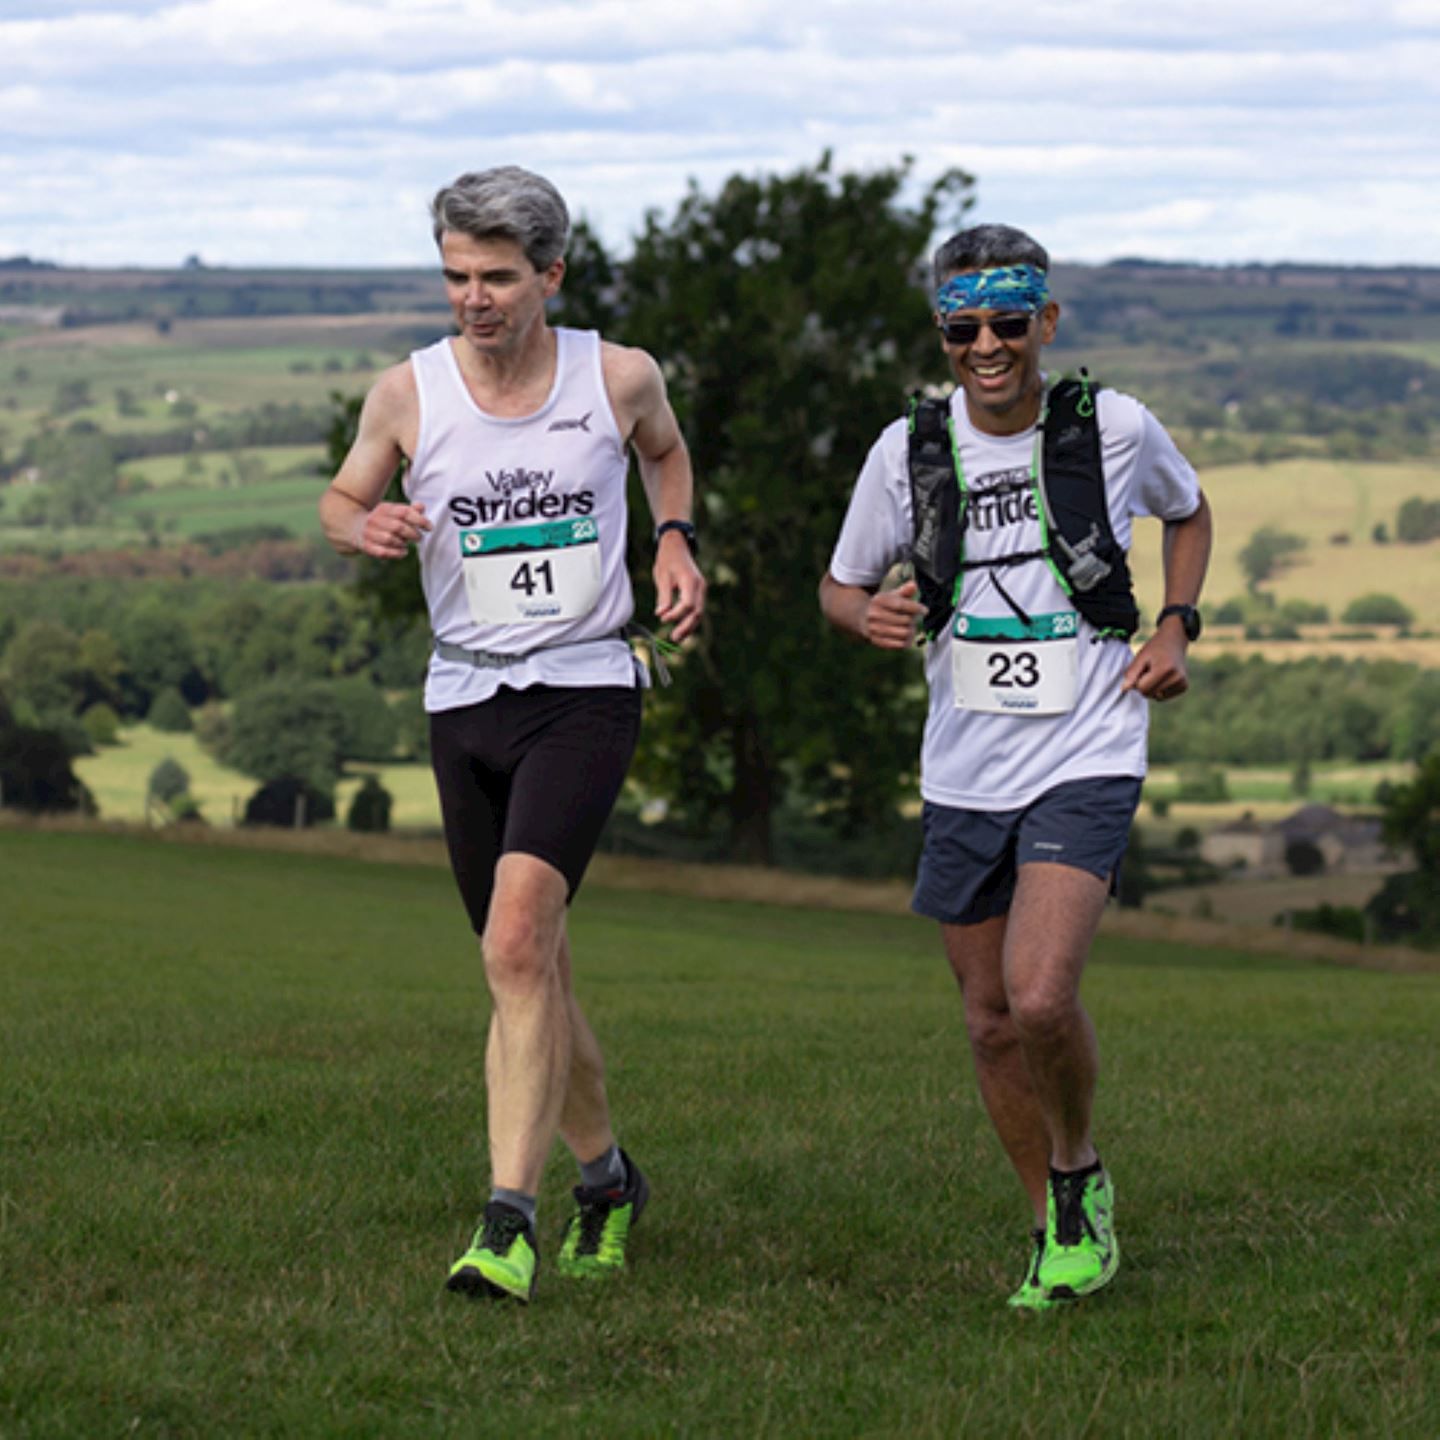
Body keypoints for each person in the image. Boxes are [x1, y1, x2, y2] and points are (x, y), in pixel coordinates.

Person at [319, 166, 706, 1304]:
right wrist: (367, 522)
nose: (472, 299)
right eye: (454, 276)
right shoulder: (408, 393)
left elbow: (666, 453)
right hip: (465, 697)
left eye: (495, 277)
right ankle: (609, 1178)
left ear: (551, 274)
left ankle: (506, 1221)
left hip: (585, 689)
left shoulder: (617, 376)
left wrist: (674, 542)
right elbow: (340, 501)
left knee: (513, 947)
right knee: (533, 970)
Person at [819, 224, 1211, 1310]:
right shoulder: (907, 452)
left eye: (1005, 322)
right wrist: (870, 618)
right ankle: (1052, 1227)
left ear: (1046, 321)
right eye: (961, 326)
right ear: (943, 333)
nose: (985, 345)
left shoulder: (1113, 427)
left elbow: (1188, 510)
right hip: (964, 765)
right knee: (987, 1016)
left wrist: (1174, 627)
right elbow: (840, 586)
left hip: (1088, 743)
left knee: (1041, 996)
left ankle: (1079, 1174)